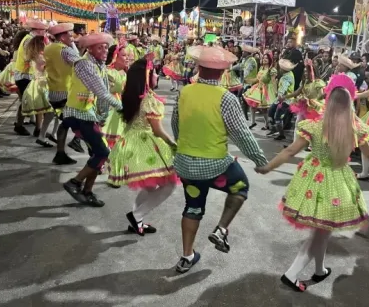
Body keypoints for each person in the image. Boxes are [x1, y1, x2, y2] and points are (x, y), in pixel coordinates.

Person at [255, 85, 369, 292]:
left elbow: (291, 151)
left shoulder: (316, 125)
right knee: (320, 232)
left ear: (328, 101)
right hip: (337, 181)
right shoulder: (355, 127)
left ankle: (320, 270)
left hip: (313, 177)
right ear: (349, 105)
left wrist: (269, 166)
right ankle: (291, 274)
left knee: (322, 231)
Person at [171, 46, 268, 273]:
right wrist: (259, 160)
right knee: (240, 186)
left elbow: (176, 125)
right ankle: (221, 229)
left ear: (198, 67)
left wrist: (184, 146)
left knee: (192, 207)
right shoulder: (226, 98)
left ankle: (187, 256)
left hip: (185, 164)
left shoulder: (184, 92)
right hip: (215, 165)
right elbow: (241, 134)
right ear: (224, 72)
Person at [107, 58, 178, 234]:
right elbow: (158, 130)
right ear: (145, 76)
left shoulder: (130, 95)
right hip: (145, 145)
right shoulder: (149, 100)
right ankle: (137, 216)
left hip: (129, 144)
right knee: (169, 184)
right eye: (153, 72)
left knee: (150, 185)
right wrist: (174, 145)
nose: (156, 74)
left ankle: (137, 220)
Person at [61, 33, 122, 207]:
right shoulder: (85, 65)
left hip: (88, 113)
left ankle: (87, 192)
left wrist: (102, 116)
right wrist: (123, 108)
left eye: (105, 47)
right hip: (78, 114)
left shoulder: (99, 65)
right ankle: (74, 182)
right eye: (99, 47)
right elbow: (102, 92)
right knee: (103, 152)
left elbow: (100, 96)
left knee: (98, 154)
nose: (104, 50)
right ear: (90, 49)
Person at [44, 22, 81, 164]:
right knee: (83, 119)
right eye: (70, 34)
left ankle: (60, 153)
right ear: (63, 36)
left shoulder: (49, 48)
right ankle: (77, 141)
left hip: (53, 91)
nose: (72, 37)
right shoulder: (64, 50)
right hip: (66, 92)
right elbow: (80, 62)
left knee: (65, 122)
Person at [13, 19, 48, 136]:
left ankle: (38, 128)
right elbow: (31, 57)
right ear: (38, 31)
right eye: (43, 30)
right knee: (28, 101)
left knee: (35, 101)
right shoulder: (29, 40)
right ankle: (20, 125)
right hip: (25, 75)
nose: (44, 33)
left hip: (28, 74)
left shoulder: (28, 38)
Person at [20, 36, 53, 140]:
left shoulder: (33, 55)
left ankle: (39, 128)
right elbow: (46, 66)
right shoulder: (40, 56)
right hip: (41, 82)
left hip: (36, 81)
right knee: (46, 109)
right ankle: (40, 130)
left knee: (41, 108)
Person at [289, 59, 325, 140]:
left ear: (313, 72)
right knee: (298, 124)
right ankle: (295, 143)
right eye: (304, 71)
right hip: (305, 106)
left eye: (307, 72)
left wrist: (311, 100)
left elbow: (320, 96)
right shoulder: (304, 82)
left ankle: (311, 145)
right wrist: (286, 97)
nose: (305, 73)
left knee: (312, 128)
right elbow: (297, 92)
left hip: (316, 108)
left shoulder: (318, 82)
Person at [102, 43, 129, 149]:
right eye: (123, 55)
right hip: (108, 109)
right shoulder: (107, 72)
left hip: (119, 109)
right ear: (115, 57)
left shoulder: (123, 72)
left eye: (127, 55)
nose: (127, 58)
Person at [243, 51, 277, 129]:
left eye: (266, 58)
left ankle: (267, 124)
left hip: (266, 90)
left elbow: (273, 81)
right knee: (252, 106)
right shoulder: (261, 68)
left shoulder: (272, 70)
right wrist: (248, 80)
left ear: (269, 60)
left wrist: (275, 92)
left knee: (264, 109)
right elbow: (257, 79)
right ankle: (253, 122)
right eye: (264, 58)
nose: (264, 59)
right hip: (258, 88)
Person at [268, 59, 296, 141]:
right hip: (282, 99)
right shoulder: (290, 74)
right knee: (271, 111)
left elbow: (283, 88)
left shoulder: (286, 77)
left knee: (277, 117)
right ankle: (275, 130)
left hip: (285, 100)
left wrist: (279, 94)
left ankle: (281, 134)